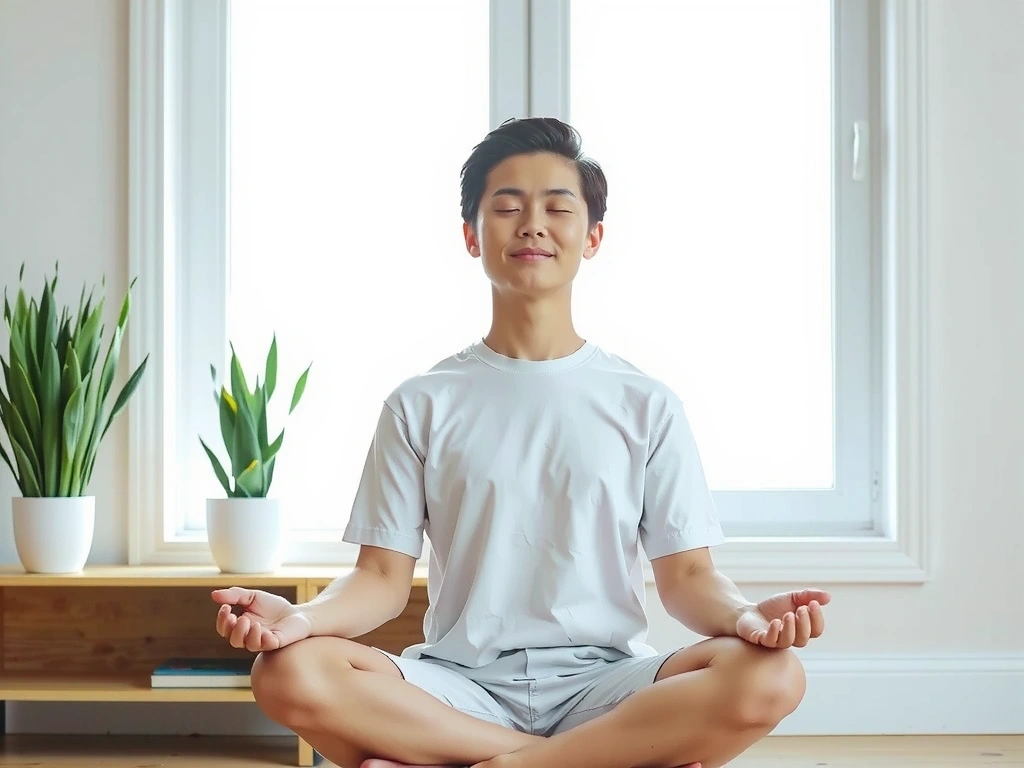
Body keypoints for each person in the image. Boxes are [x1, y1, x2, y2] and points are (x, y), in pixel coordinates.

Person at [211, 117, 829, 768]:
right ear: (471, 236)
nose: (532, 225)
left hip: (608, 685)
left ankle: (494, 763)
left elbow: (690, 578)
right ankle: (584, 761)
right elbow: (380, 579)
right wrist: (302, 621)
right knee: (287, 673)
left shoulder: (647, 404)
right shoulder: (420, 402)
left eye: (557, 208)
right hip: (458, 688)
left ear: (592, 237)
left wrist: (746, 617)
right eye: (507, 208)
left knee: (773, 675)